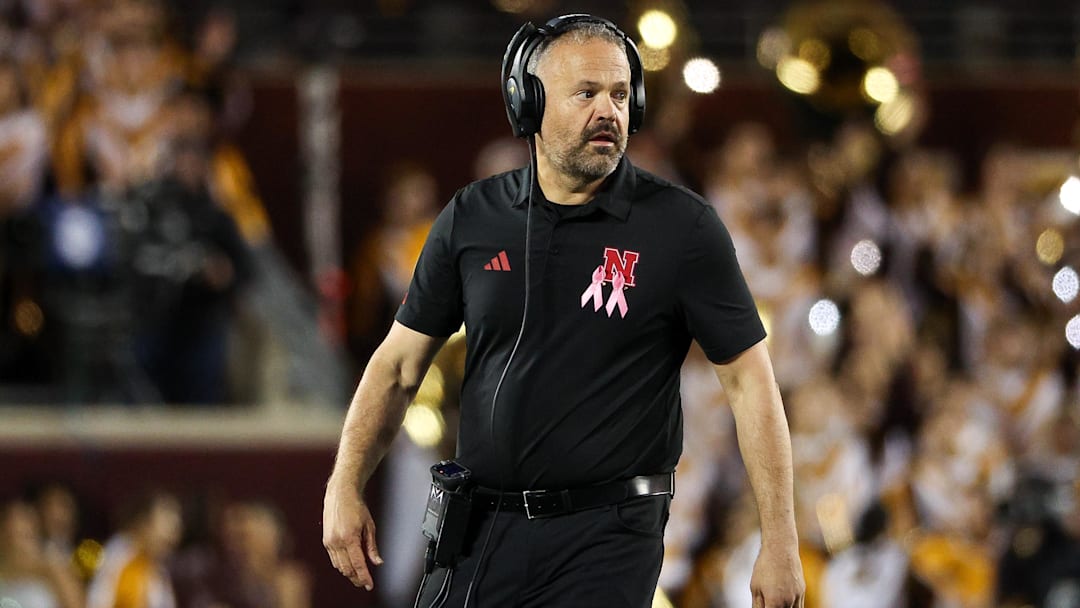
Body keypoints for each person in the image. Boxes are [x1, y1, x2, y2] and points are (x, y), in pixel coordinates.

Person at [322, 13, 804, 608]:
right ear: (529, 103)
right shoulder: (474, 217)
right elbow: (397, 366)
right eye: (587, 93)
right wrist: (345, 482)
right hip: (479, 531)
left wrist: (780, 538)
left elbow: (750, 382)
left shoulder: (682, 228)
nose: (610, 111)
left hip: (608, 537)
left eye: (622, 95)